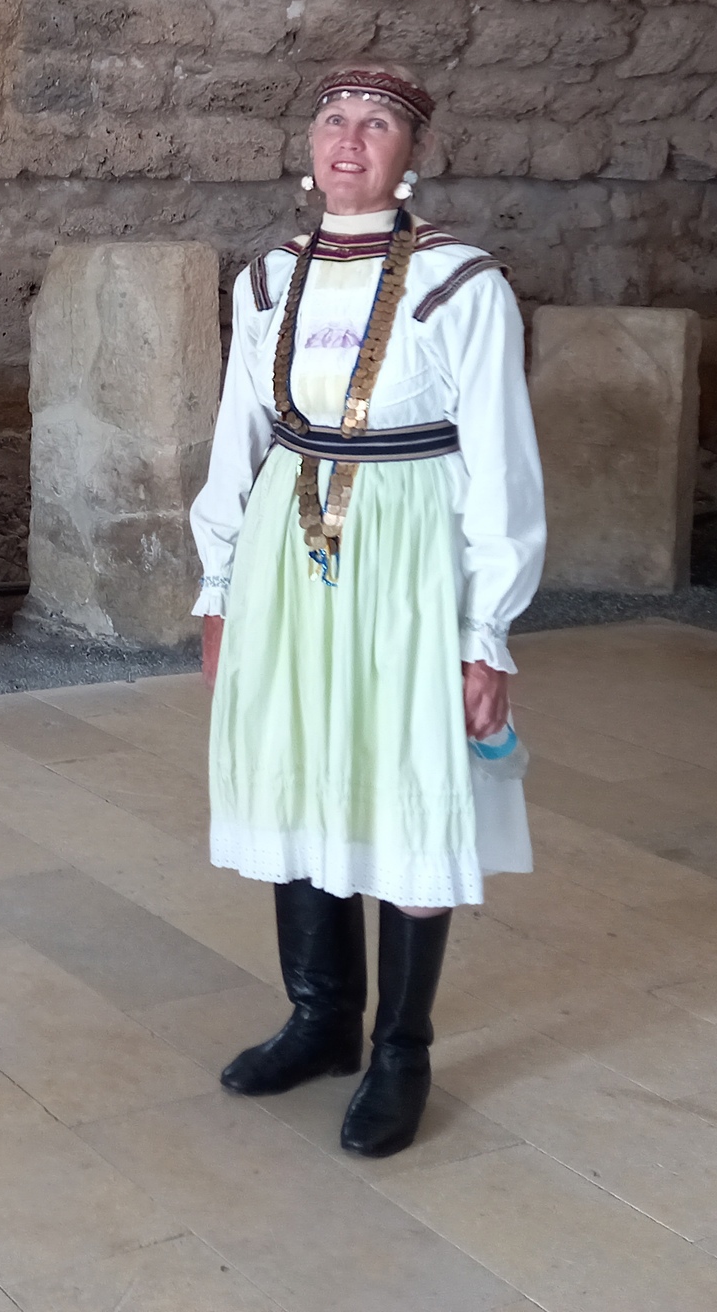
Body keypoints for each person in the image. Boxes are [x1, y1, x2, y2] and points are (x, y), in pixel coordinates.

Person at [188, 63, 544, 1158]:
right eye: (335, 120)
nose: (350, 139)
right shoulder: (266, 280)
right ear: (310, 146)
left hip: (409, 555)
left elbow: (501, 466)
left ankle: (401, 1052)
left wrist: (485, 632)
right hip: (287, 552)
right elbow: (238, 436)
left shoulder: (461, 282)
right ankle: (320, 1018)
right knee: (301, 760)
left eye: (377, 124)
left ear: (411, 153)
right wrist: (217, 586)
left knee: (407, 778)